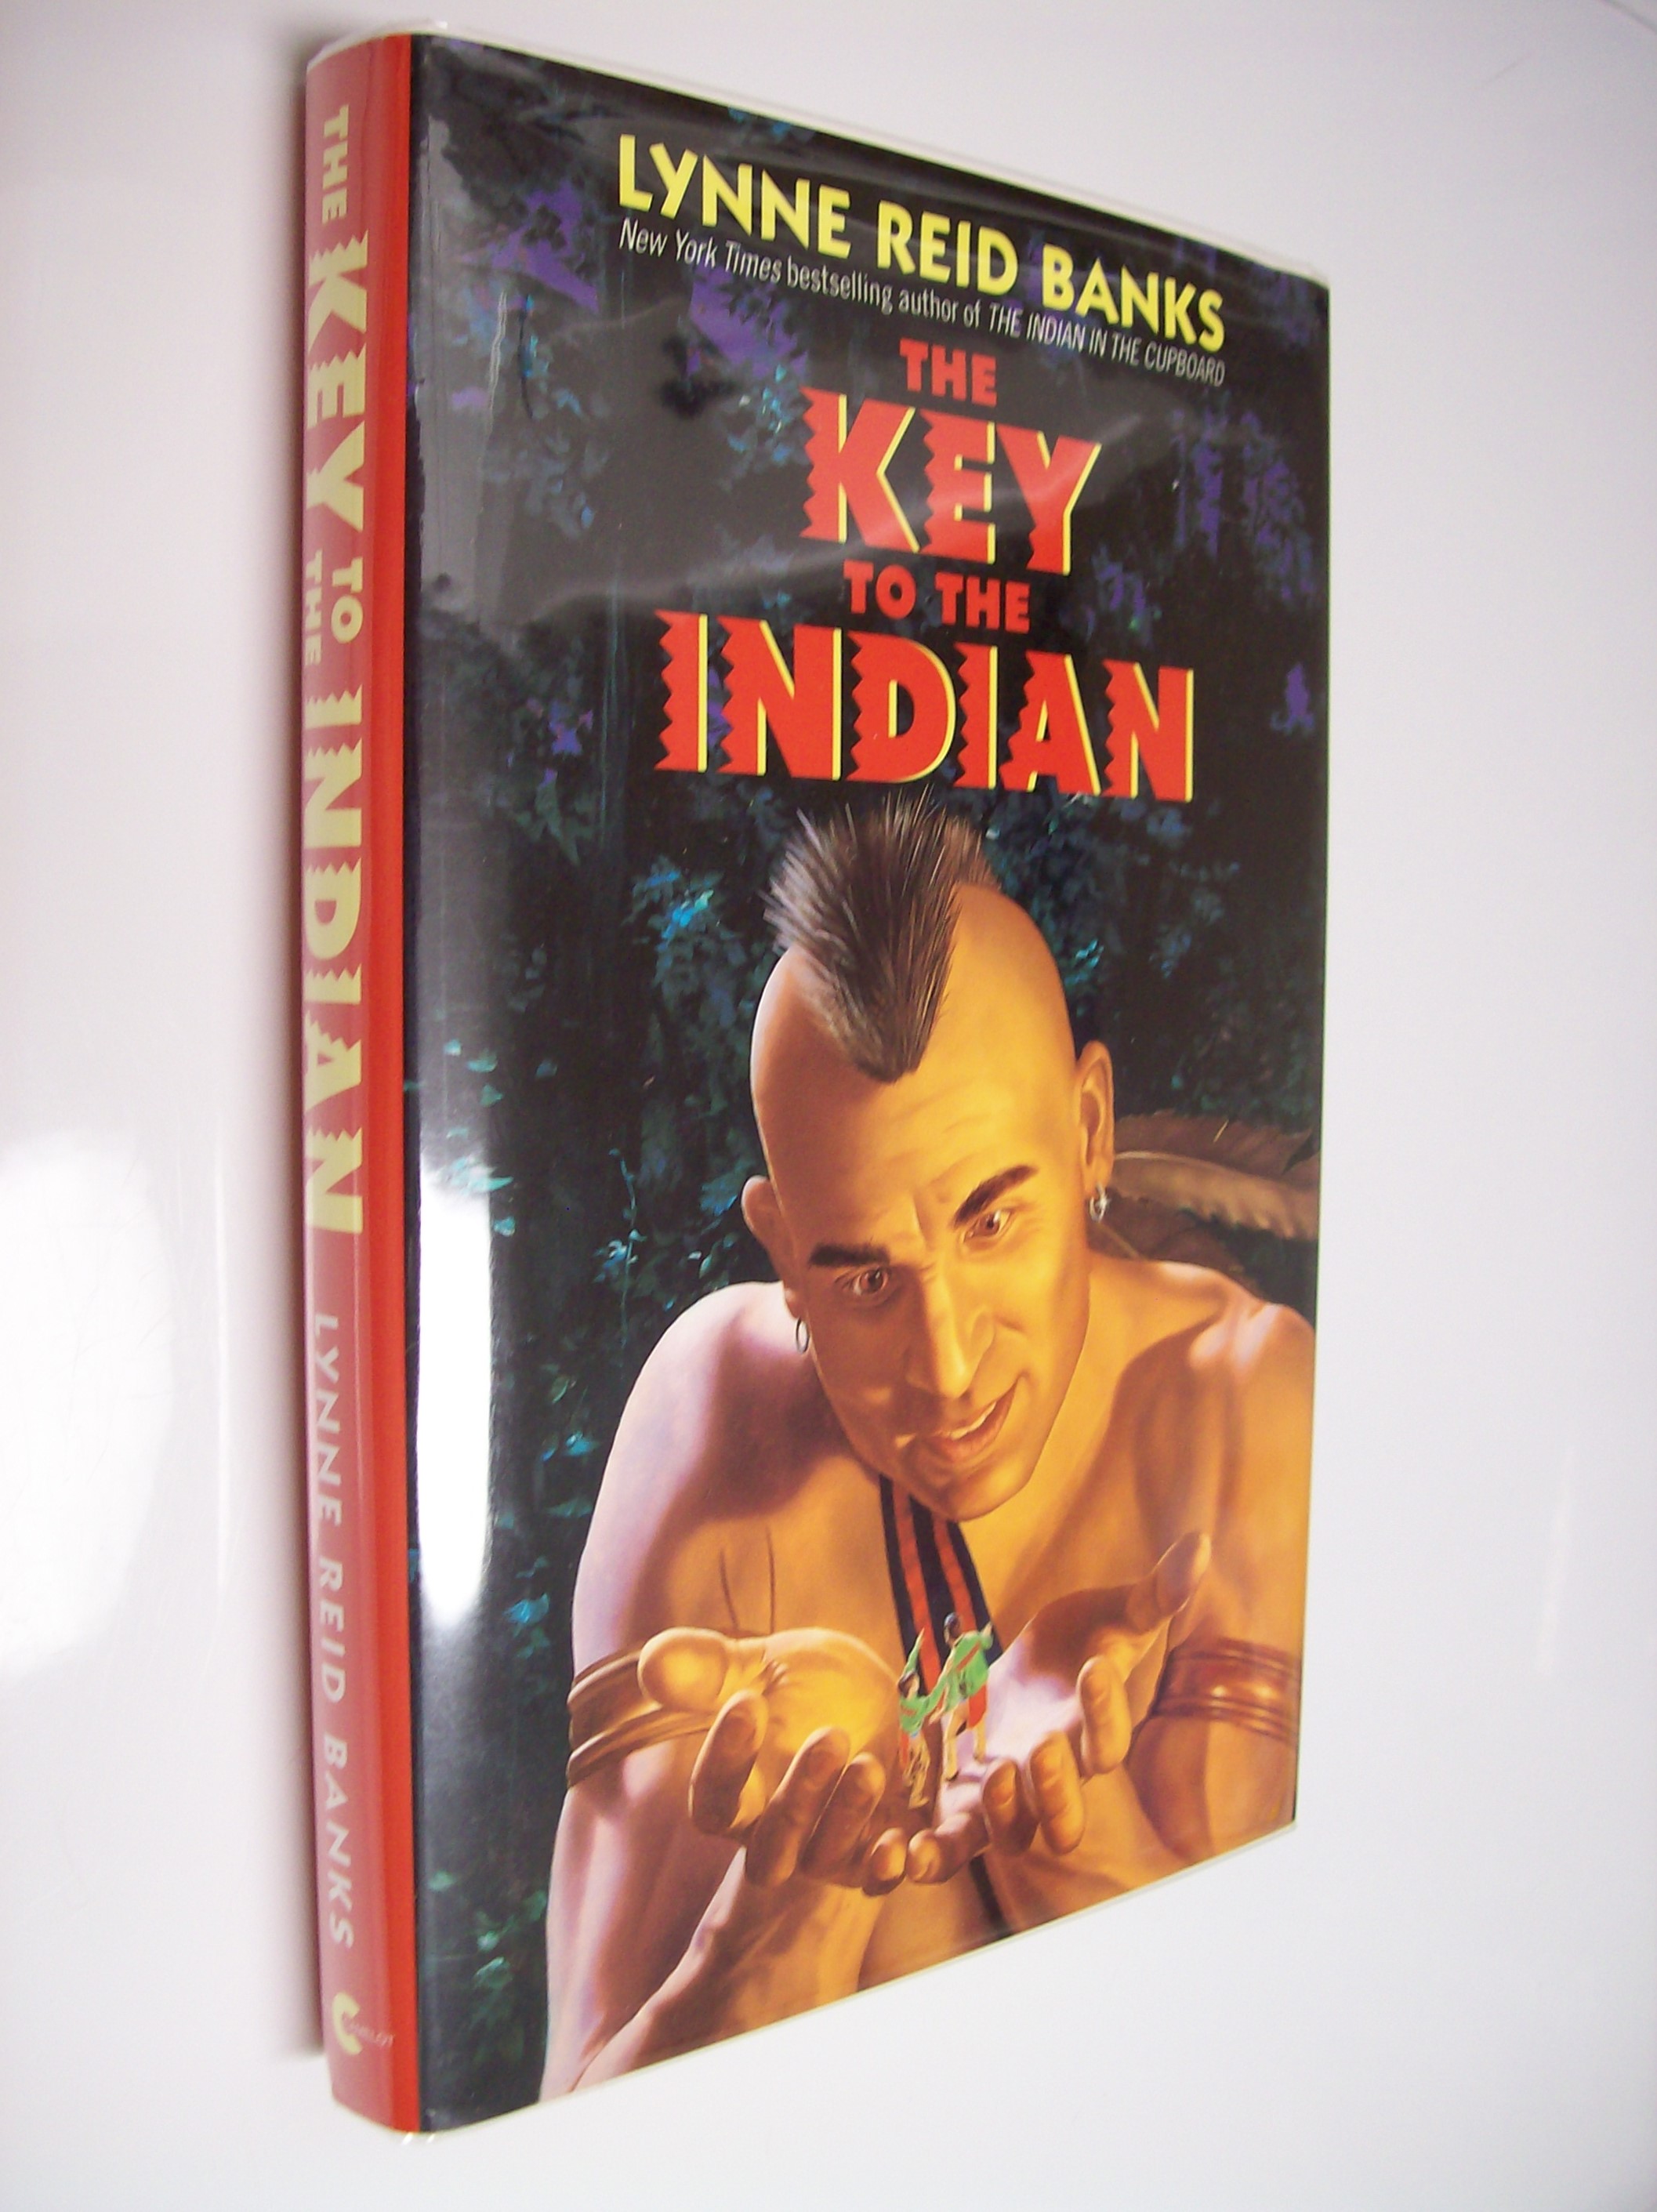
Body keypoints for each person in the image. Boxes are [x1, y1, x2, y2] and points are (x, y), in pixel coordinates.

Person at [541, 803, 1312, 2095]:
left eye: (992, 1221)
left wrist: (1060, 1820)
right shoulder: (712, 1428)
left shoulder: (1235, 1403)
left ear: (1088, 1128)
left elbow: (1241, 2084)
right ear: (782, 1251)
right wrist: (792, 1890)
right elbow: (575, 2120)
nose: (947, 1366)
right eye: (863, 1282)